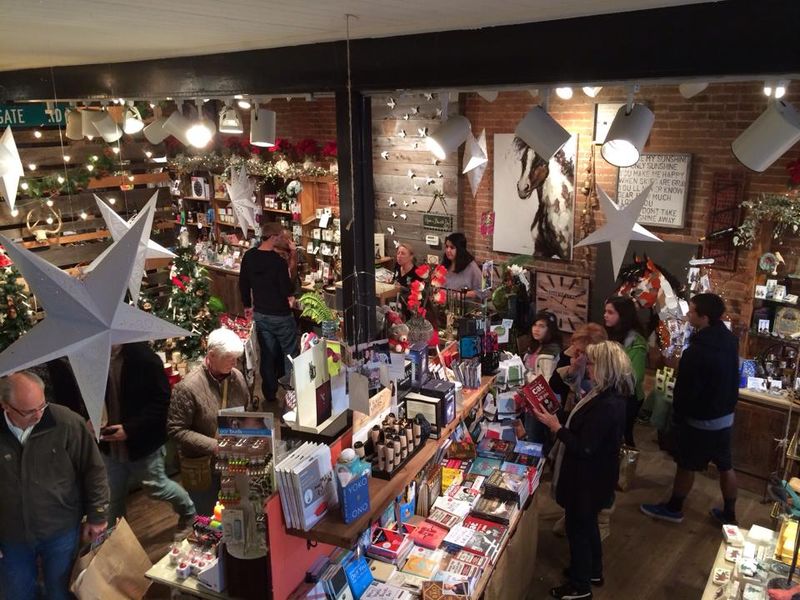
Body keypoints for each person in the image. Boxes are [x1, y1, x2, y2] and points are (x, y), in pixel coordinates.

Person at [533, 341, 630, 600]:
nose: (588, 368)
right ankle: (593, 571)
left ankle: (580, 586)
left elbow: (585, 447)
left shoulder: (607, 404)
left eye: (593, 363)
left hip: (587, 480)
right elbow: (583, 429)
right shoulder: (607, 394)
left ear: (606, 368)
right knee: (588, 526)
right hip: (596, 478)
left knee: (578, 529)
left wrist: (556, 427)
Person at [0, 371, 109, 600]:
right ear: (5, 406)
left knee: (60, 592)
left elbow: (93, 469)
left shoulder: (66, 422)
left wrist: (98, 514)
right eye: (29, 411)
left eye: (42, 405)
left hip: (60, 529)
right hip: (10, 534)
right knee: (15, 593)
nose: (39, 415)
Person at [640, 293, 740, 525]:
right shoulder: (729, 340)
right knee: (725, 465)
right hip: (724, 416)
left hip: (701, 419)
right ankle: (730, 514)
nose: (687, 314)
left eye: (692, 311)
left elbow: (686, 391)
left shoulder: (696, 351)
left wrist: (678, 416)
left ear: (704, 317)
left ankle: (674, 508)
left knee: (686, 464)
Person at [100, 342, 196, 528]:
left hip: (143, 442)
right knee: (112, 497)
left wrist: (129, 429)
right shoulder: (94, 358)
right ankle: (115, 540)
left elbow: (163, 402)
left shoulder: (144, 358)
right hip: (108, 445)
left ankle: (189, 512)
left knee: (157, 487)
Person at [168, 328, 250, 513]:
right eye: (229, 357)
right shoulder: (188, 388)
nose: (234, 362)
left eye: (236, 357)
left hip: (234, 463)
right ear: (211, 355)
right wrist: (214, 445)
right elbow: (176, 430)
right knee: (207, 519)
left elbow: (247, 412)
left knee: (236, 513)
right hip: (204, 468)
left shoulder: (237, 377)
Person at [239, 222, 299, 407]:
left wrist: (248, 305)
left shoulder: (249, 257)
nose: (283, 239)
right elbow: (287, 289)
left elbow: (243, 283)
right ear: (273, 237)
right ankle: (292, 393)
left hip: (261, 314)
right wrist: (293, 260)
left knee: (267, 354)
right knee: (290, 354)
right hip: (281, 315)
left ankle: (269, 393)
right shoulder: (278, 262)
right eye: (281, 236)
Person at [603, 296, 648, 447]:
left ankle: (627, 467)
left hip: (628, 396)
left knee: (624, 434)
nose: (605, 315)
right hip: (611, 392)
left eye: (610, 312)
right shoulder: (610, 334)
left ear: (622, 315)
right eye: (605, 311)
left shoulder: (636, 341)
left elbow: (636, 375)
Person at [523, 310, 562, 444]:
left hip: (541, 401)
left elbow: (545, 382)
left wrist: (525, 375)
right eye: (535, 325)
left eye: (542, 326)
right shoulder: (536, 346)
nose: (536, 329)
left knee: (535, 438)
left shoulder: (550, 351)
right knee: (530, 433)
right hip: (531, 398)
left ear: (550, 330)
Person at [441, 232, 485, 298]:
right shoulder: (445, 263)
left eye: (452, 247)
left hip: (462, 305)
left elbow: (484, 292)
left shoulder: (471, 267)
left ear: (460, 249)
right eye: (447, 247)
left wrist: (462, 295)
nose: (448, 250)